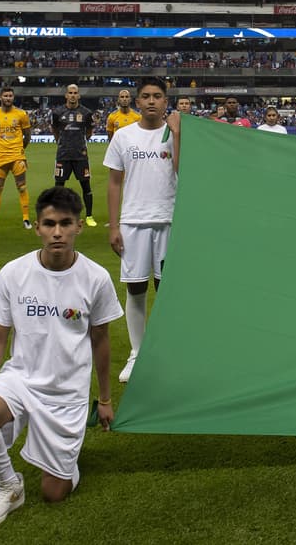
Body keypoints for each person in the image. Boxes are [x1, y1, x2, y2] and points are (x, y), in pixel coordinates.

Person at [0, 186, 122, 528]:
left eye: (65, 224)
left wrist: (106, 398)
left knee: (54, 494)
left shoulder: (96, 278)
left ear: (79, 226)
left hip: (67, 393)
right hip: (20, 379)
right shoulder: (13, 272)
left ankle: (66, 461)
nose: (57, 232)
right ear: (37, 227)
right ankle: (9, 486)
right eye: (49, 224)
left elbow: (101, 340)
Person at [104, 77, 180, 383]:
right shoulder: (123, 136)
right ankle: (137, 354)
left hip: (170, 221)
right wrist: (113, 226)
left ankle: (166, 352)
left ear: (165, 101)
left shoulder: (176, 134)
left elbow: (184, 171)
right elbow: (113, 182)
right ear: (137, 102)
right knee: (135, 288)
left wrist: (176, 133)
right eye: (146, 96)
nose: (151, 101)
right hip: (133, 223)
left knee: (167, 291)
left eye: (157, 96)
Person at [0, 87, 32, 230]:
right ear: (0, 97)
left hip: (17, 156)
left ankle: (26, 219)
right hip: (0, 157)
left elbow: (27, 135)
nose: (8, 98)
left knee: (22, 187)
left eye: (10, 96)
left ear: (13, 97)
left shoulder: (21, 114)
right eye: (5, 95)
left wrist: (19, 149)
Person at [52, 84, 98, 227]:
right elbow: (55, 130)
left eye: (75, 93)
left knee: (86, 186)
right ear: (66, 95)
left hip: (80, 155)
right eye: (70, 92)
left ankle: (89, 216)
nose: (72, 95)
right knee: (59, 187)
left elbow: (89, 131)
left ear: (78, 95)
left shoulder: (86, 113)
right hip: (63, 154)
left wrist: (79, 143)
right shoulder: (57, 112)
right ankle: (57, 215)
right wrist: (63, 143)